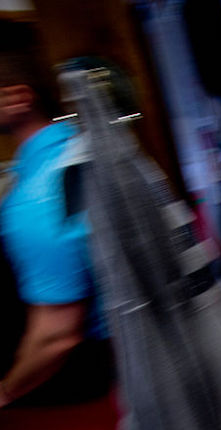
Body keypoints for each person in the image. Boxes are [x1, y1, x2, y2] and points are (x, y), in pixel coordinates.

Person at [0, 49, 112, 409]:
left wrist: (5, 392)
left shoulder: (37, 199)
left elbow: (56, 338)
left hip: (89, 367)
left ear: (17, 98)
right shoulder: (76, 145)